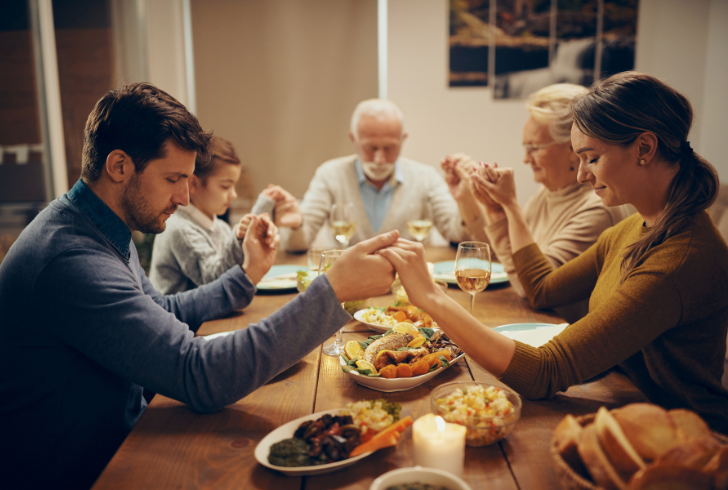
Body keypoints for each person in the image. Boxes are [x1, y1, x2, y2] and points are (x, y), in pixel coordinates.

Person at [0, 83, 398, 489]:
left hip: (121, 441)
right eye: (174, 178)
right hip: (85, 470)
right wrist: (331, 291)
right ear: (118, 166)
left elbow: (163, 313)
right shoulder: (71, 258)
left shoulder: (100, 228)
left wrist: (244, 275)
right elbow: (199, 375)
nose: (185, 197)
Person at [378, 72, 728, 433]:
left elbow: (545, 372)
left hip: (686, 437)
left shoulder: (679, 259)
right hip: (624, 404)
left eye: (591, 158)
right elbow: (544, 289)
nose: (581, 176)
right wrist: (501, 211)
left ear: (644, 148)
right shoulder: (634, 227)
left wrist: (433, 298)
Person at [443, 84, 631, 322]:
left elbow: (534, 290)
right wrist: (475, 201)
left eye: (534, 148)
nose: (525, 158)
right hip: (533, 323)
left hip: (562, 339)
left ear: (573, 147)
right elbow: (509, 264)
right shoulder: (548, 192)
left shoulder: (597, 209)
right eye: (526, 147)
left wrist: (509, 205)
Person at [274, 99, 479, 251]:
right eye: (370, 148)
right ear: (353, 139)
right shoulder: (330, 175)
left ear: (403, 139)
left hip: (409, 287)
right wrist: (296, 225)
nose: (379, 159)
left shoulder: (426, 177)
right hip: (350, 285)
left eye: (389, 148)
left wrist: (466, 198)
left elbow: (459, 238)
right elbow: (298, 245)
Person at [150, 136, 272, 294]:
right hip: (180, 318)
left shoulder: (220, 227)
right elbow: (215, 282)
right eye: (225, 186)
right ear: (193, 184)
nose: (233, 194)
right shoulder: (180, 229)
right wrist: (241, 236)